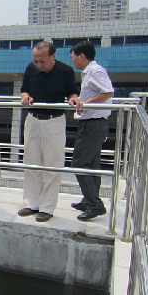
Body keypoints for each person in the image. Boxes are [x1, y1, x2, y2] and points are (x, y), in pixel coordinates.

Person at [19, 41, 81, 222]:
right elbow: (24, 91)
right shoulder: (30, 69)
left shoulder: (66, 71)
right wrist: (25, 97)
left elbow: (72, 93)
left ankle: (47, 207)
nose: (38, 65)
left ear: (53, 56)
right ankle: (32, 203)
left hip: (54, 121)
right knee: (31, 163)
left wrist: (73, 99)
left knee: (53, 165)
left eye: (42, 61)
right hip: (33, 119)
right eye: (35, 61)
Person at [70, 41, 114, 221]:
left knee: (79, 163)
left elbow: (108, 92)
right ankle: (89, 200)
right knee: (92, 165)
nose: (72, 61)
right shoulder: (88, 72)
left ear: (82, 56)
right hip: (91, 123)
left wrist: (85, 104)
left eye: (73, 57)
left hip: (93, 124)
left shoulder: (95, 71)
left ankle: (95, 205)